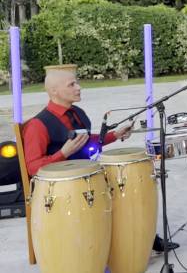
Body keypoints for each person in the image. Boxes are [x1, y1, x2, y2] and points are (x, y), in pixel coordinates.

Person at [22, 69, 176, 253]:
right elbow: (32, 168)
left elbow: (85, 139)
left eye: (77, 82)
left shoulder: (76, 113)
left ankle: (141, 238)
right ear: (54, 91)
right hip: (63, 190)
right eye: (72, 84)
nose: (79, 87)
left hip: (86, 175)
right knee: (120, 189)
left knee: (128, 184)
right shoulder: (37, 126)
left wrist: (114, 135)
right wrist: (62, 153)